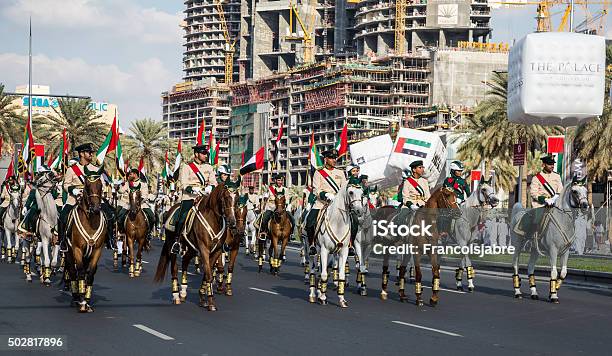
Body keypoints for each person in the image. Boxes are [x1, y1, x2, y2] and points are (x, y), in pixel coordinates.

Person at [59, 143, 115, 250]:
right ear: (81, 153)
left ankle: (110, 239)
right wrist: (74, 190)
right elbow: (66, 185)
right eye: (89, 152)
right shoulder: (72, 169)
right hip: (75, 198)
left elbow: (102, 184)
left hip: (93, 197)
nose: (91, 154)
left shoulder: (95, 169)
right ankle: (62, 241)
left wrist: (97, 192)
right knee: (63, 216)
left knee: (109, 214)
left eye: (91, 153)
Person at [305, 148, 347, 256]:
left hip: (337, 205)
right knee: (310, 221)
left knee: (353, 219)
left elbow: (344, 189)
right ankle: (312, 244)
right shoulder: (319, 173)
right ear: (326, 159)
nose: (334, 160)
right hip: (321, 204)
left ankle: (350, 245)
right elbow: (316, 190)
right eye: (332, 158)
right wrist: (325, 195)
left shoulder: (340, 173)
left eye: (335, 158)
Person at [173, 144, 216, 248]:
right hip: (190, 197)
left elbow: (214, 182)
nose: (206, 155)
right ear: (196, 154)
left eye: (206, 153)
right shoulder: (187, 167)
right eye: (204, 153)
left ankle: (222, 241)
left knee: (220, 214)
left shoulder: (209, 167)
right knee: (182, 217)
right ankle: (177, 241)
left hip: (205, 197)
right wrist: (193, 189)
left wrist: (210, 188)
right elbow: (183, 184)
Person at [515, 155, 563, 236]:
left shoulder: (557, 176)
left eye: (553, 164)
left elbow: (560, 190)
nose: (552, 166)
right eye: (549, 164)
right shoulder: (537, 178)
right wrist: (545, 199)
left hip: (554, 205)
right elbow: (533, 193)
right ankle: (531, 238)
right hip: (540, 205)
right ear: (543, 165)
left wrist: (554, 198)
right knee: (537, 219)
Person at [116, 168, 155, 237]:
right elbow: (121, 191)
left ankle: (148, 232)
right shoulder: (128, 184)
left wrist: (137, 203)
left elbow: (145, 195)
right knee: (120, 216)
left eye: (131, 174)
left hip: (142, 205)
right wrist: (117, 188)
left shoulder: (143, 184)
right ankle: (122, 231)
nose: (129, 175)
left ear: (135, 174)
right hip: (129, 204)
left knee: (152, 217)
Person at [395, 160, 431, 225]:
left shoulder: (425, 181)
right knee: (401, 218)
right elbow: (405, 197)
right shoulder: (407, 182)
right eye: (420, 167)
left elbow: (428, 196)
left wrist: (422, 203)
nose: (423, 169)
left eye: (423, 167)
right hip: (409, 205)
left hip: (422, 205)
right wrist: (411, 205)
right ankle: (400, 234)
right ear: (414, 170)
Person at [259, 174, 295, 238]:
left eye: (281, 180)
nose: (280, 182)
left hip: (283, 208)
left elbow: (287, 199)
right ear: (275, 181)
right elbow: (269, 198)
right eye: (278, 180)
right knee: (264, 219)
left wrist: (285, 205)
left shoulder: (285, 189)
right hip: (272, 207)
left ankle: (291, 233)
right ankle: (264, 232)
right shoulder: (271, 189)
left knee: (293, 220)